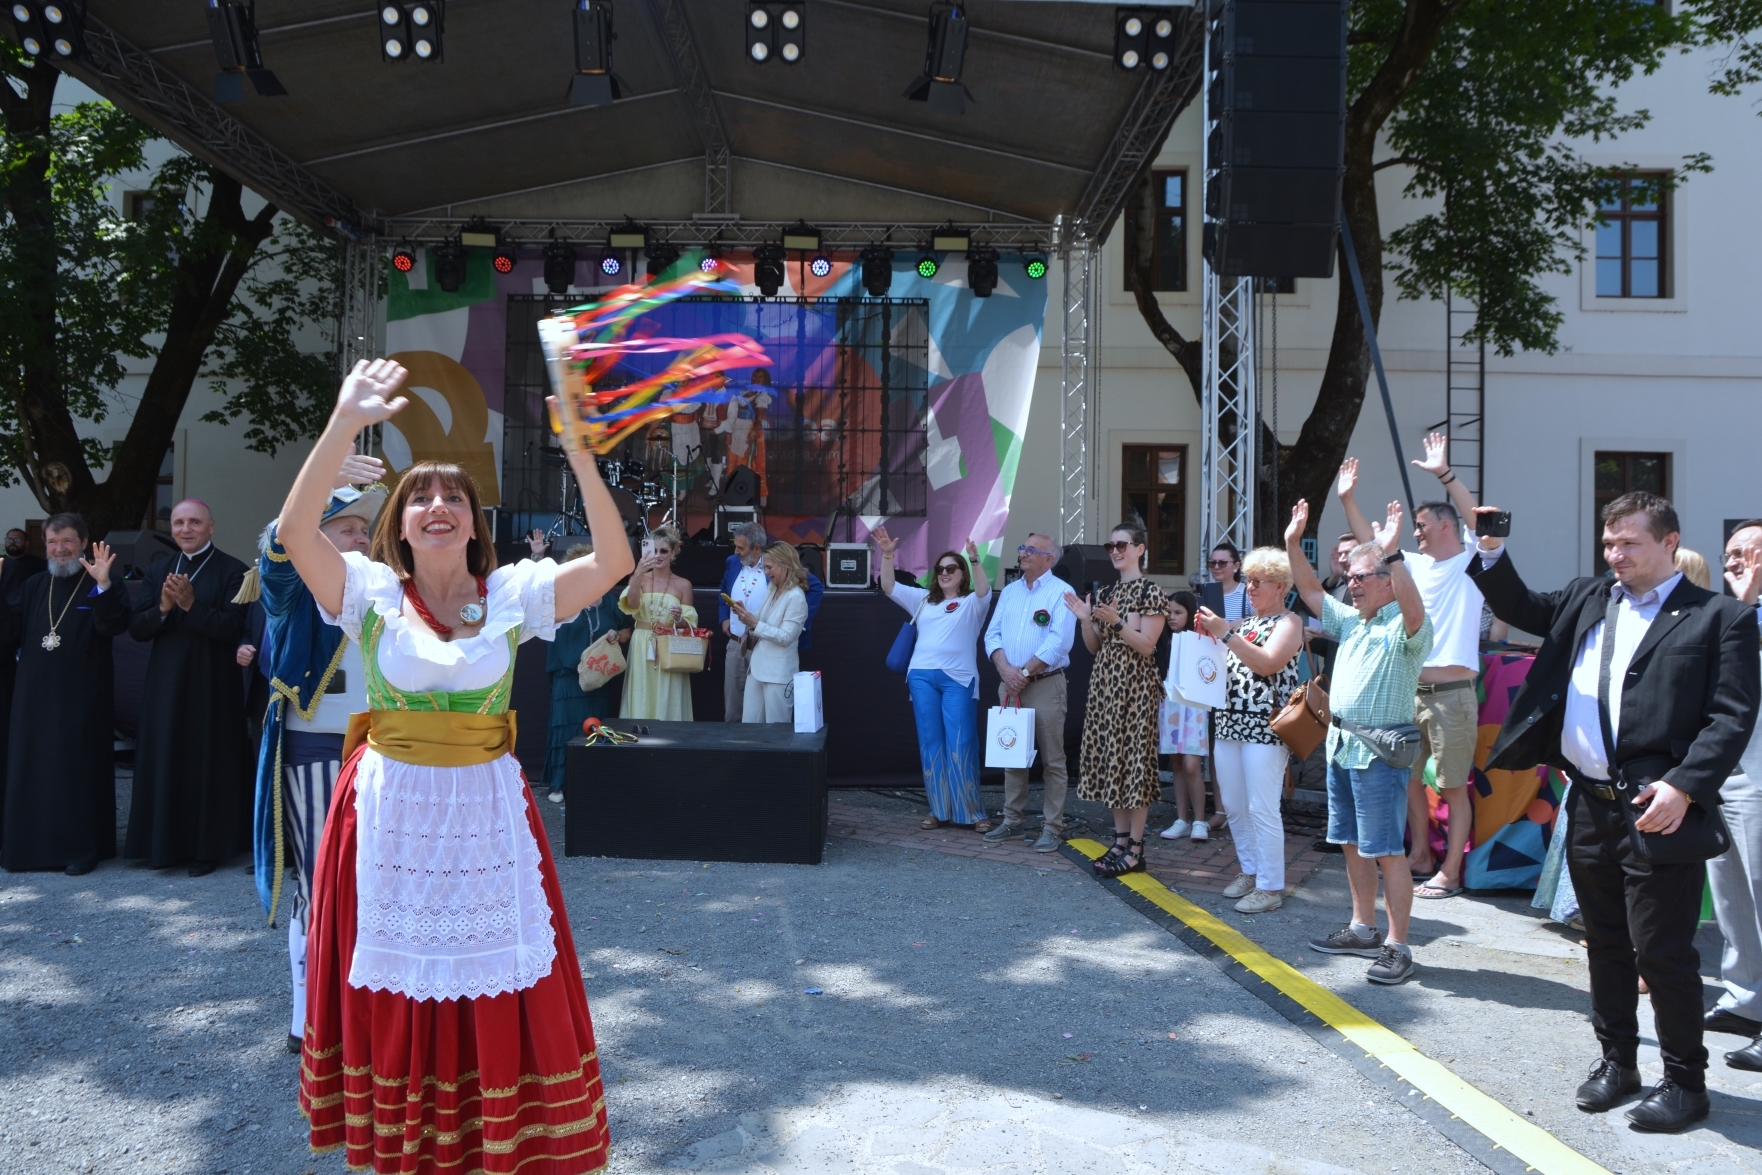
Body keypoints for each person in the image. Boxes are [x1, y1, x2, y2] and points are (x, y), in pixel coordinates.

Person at [286, 358, 628, 1172]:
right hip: (387, 813)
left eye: (453, 497)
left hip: (484, 810)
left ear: (475, 522)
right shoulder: (368, 592)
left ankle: (488, 1147)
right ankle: (408, 1149)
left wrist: (580, 452)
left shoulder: (511, 594)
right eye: (420, 498)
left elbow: (613, 559)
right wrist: (340, 423)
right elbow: (295, 534)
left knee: (497, 987)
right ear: (400, 524)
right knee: (398, 993)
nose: (437, 506)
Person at [1468, 493, 1758, 1131]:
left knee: (1663, 951)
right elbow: (1522, 608)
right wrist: (1490, 549)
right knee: (1604, 943)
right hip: (1590, 804)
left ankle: (1686, 1082)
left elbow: (1732, 717)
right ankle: (1618, 1063)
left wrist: (1686, 785)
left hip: (1661, 808)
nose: (1615, 555)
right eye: (1608, 544)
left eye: (1629, 543)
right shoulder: (1590, 596)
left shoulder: (1720, 619)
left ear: (1669, 542)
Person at [241, 462, 385, 1054]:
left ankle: (369, 1012)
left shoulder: (384, 587)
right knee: (322, 884)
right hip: (318, 750)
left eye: (361, 530)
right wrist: (320, 479)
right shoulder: (291, 587)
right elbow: (278, 548)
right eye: (346, 528)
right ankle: (309, 1018)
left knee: (376, 883)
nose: (360, 538)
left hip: (385, 753)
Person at [1287, 498, 1432, 985]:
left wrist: (1392, 555)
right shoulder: (1351, 621)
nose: (1353, 582)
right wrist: (1292, 539)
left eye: (1363, 576)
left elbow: (1414, 607)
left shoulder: (1406, 625)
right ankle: (1362, 927)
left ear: (1388, 582)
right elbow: (1308, 589)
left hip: (1378, 752)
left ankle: (1398, 945)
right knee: (1350, 843)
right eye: (1350, 575)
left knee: (1387, 849)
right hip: (1342, 748)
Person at [1337, 439, 1487, 900]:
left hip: (1453, 694)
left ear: (1446, 526)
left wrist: (1445, 474)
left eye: (1422, 527)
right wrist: (1347, 499)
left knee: (1453, 788)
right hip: (1411, 695)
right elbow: (1374, 545)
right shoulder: (1413, 566)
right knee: (1411, 785)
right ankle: (1420, 855)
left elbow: (1479, 521)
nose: (1415, 534)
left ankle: (1451, 871)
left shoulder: (1471, 563)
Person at [125, 498, 250, 876]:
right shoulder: (159, 569)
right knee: (166, 758)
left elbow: (232, 629)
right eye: (178, 522)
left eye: (194, 522)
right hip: (166, 686)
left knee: (207, 762)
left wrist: (191, 606)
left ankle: (206, 849)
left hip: (213, 687)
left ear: (211, 527)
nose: (185, 529)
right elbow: (137, 629)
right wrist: (163, 608)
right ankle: (162, 846)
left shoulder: (234, 571)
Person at [0, 517, 127, 875]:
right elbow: (9, 632)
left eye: (67, 541)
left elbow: (113, 626)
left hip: (82, 694)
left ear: (83, 542)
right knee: (34, 769)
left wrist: (102, 587)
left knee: (75, 770)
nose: (59, 548)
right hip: (34, 696)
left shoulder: (102, 582)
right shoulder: (35, 584)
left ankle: (80, 850)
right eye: (53, 541)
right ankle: (27, 850)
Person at [1195, 547, 1303, 913]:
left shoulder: (1290, 623)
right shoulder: (1244, 625)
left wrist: (1225, 635)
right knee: (1236, 807)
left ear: (1281, 586)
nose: (1251, 587)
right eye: (1249, 580)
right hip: (1228, 724)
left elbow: (1268, 663)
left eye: (1259, 582)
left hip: (1264, 729)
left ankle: (1271, 887)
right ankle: (1250, 871)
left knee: (1262, 808)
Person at [1064, 522, 1169, 878]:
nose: (1115, 550)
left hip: (1136, 688)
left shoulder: (1151, 591)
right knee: (1115, 765)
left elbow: (1146, 645)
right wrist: (1085, 620)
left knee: (1135, 767)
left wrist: (1118, 621)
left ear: (1140, 549)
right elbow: (1096, 647)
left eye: (1122, 545)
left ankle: (1137, 848)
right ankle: (1121, 841)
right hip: (1106, 687)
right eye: (1111, 545)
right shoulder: (1107, 591)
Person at [877, 526, 992, 831]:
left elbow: (984, 591)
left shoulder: (972, 602)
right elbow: (888, 586)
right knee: (931, 742)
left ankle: (972, 812)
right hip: (921, 677)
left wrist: (975, 559)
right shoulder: (923, 600)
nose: (944, 573)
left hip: (959, 679)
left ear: (962, 573)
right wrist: (887, 555)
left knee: (961, 741)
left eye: (950, 568)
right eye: (939, 569)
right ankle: (939, 809)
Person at [1707, 521, 1762, 1070]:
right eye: (1730, 554)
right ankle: (1746, 998)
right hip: (1730, 772)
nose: (1736, 563)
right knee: (1731, 891)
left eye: (1747, 553)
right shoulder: (1736, 613)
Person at [983, 533, 1078, 852]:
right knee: (1012, 754)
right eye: (1022, 547)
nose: (1022, 553)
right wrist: (1005, 670)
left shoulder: (1062, 592)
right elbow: (991, 634)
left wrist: (1021, 673)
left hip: (1046, 685)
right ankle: (1012, 820)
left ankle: (1052, 826)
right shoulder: (1009, 591)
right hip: (1010, 684)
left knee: (1053, 759)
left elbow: (1058, 642)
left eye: (1030, 549)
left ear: (1048, 558)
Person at [543, 541, 632, 803]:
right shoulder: (562, 597)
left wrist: (618, 635)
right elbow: (534, 597)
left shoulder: (610, 600)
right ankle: (558, 785)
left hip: (598, 676)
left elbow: (627, 628)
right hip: (568, 676)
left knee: (595, 728)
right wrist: (537, 556)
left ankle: (588, 784)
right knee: (566, 728)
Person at [619, 524, 697, 721]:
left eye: (664, 551)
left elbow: (690, 625)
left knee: (668, 691)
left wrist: (679, 618)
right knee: (641, 690)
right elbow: (632, 604)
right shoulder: (639, 578)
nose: (659, 555)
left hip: (669, 642)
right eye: (654, 550)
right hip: (641, 641)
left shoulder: (683, 584)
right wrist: (637, 574)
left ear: (673, 553)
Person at [731, 542, 810, 723]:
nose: (766, 572)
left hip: (778, 674)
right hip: (757, 668)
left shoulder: (796, 597)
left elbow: (786, 637)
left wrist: (755, 623)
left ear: (785, 564)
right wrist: (745, 615)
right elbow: (761, 617)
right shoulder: (773, 588)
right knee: (749, 726)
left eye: (769, 567)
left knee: (777, 730)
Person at [1158, 590, 1212, 843]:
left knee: (1192, 764)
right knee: (1177, 763)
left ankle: (1200, 820)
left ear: (1191, 613)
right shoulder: (1164, 639)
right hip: (1170, 705)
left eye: (1178, 612)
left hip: (1194, 706)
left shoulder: (1200, 639)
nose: (1171, 617)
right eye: (1169, 612)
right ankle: (1182, 819)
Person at [719, 521, 770, 721]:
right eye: (736, 546)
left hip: (764, 644)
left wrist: (796, 623)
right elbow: (723, 590)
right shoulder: (732, 562)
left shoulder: (774, 564)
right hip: (736, 642)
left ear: (757, 548)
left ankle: (760, 749)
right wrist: (724, 618)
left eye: (741, 547)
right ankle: (732, 747)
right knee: (733, 705)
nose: (736, 551)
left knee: (761, 704)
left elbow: (813, 588)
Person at [1199, 541, 1249, 621]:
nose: (1216, 567)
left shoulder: (1248, 594)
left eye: (1222, 563)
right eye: (1212, 563)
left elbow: (1258, 626)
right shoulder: (1204, 594)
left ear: (1236, 565)